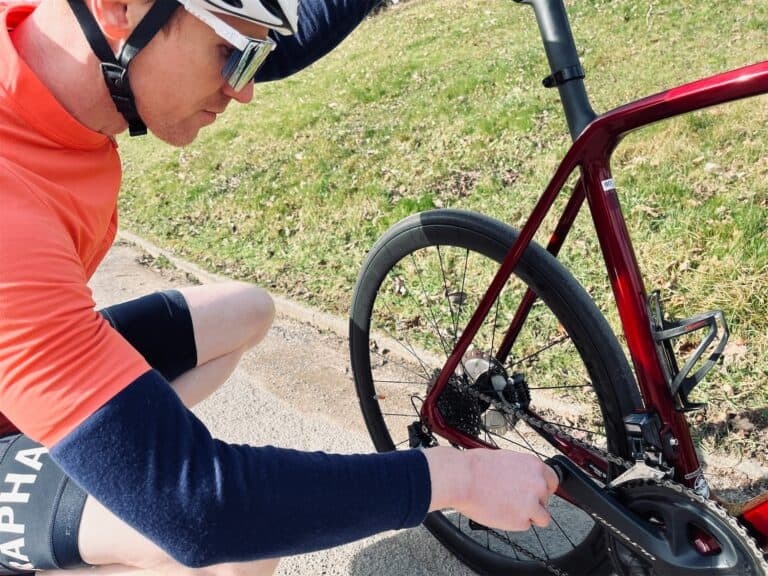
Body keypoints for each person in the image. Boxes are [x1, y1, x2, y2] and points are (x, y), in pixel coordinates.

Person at [0, 0, 560, 574]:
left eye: (249, 58)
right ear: (119, 7)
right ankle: (102, 488)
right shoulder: (9, 215)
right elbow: (203, 509)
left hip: (18, 387)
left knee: (245, 310)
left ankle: (107, 458)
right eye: (228, 54)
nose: (243, 91)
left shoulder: (55, 63)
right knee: (232, 549)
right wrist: (455, 477)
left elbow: (279, 41)